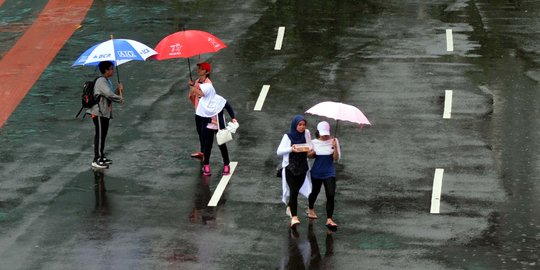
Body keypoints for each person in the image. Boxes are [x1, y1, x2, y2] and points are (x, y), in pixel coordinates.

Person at [191, 83, 238, 176]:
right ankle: (206, 165)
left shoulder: (219, 100)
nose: (200, 92)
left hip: (219, 127)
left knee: (222, 145)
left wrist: (233, 117)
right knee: (207, 147)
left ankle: (226, 165)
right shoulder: (202, 102)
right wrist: (212, 121)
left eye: (201, 91)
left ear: (208, 92)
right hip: (208, 127)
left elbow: (228, 106)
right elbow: (201, 117)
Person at [277, 115, 313, 228]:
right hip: (290, 168)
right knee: (293, 191)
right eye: (300, 125)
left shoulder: (306, 133)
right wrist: (291, 149)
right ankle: (294, 217)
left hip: (302, 168)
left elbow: (310, 146)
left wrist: (309, 150)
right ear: (295, 125)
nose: (302, 127)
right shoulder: (288, 136)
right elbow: (279, 151)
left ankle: (290, 206)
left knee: (296, 191)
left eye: (303, 124)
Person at [87, 61, 124, 169]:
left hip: (105, 113)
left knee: (103, 135)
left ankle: (101, 156)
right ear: (106, 70)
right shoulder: (101, 81)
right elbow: (109, 94)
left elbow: (110, 94)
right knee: (99, 135)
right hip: (98, 113)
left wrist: (118, 90)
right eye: (111, 68)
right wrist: (120, 98)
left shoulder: (106, 81)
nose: (113, 70)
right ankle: (96, 159)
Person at [307, 121, 341, 231]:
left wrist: (335, 148)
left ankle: (329, 219)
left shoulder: (334, 141)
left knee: (330, 195)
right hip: (316, 172)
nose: (325, 136)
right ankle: (310, 208)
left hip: (329, 172)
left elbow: (336, 158)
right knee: (314, 193)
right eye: (323, 133)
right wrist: (311, 154)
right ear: (319, 132)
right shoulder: (313, 142)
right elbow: (309, 156)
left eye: (327, 133)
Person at [188, 62, 212, 159]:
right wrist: (192, 87)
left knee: (204, 133)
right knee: (199, 131)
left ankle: (205, 153)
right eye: (199, 68)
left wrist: (192, 87)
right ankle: (202, 152)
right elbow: (193, 95)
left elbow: (202, 94)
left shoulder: (208, 83)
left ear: (207, 72)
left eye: (201, 69)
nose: (199, 70)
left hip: (205, 112)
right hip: (198, 111)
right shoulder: (198, 81)